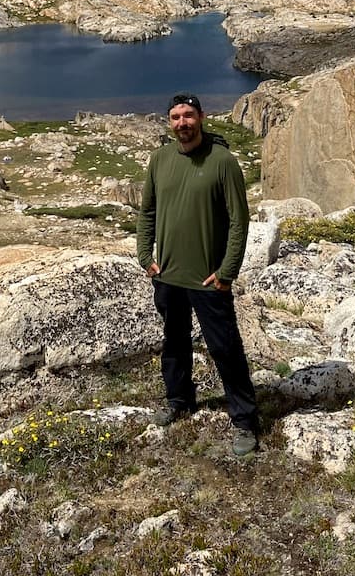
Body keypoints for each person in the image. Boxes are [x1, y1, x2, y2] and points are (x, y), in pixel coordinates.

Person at [136, 92, 259, 456]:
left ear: (201, 117)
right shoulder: (159, 160)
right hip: (168, 275)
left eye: (188, 116)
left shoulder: (222, 161)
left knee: (225, 349)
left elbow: (240, 221)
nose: (182, 124)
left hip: (209, 280)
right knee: (174, 344)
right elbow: (147, 213)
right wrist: (146, 257)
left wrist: (227, 271)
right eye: (175, 117)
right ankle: (179, 400)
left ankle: (245, 421)